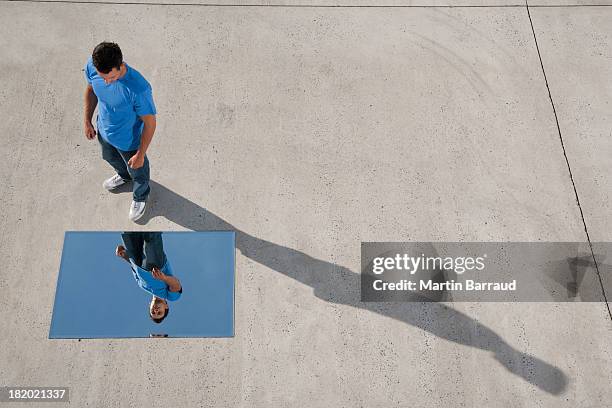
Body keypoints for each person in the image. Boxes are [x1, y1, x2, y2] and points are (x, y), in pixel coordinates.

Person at [83, 42, 157, 221]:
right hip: (104, 131)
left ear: (121, 65)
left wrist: (140, 154)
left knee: (138, 172)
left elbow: (150, 123)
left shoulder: (138, 89)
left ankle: (140, 195)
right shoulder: (93, 67)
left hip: (128, 141)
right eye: (103, 77)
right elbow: (91, 89)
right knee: (110, 158)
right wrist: (87, 120)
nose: (107, 82)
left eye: (112, 77)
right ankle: (124, 176)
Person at [116, 232, 182, 323]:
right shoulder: (169, 296)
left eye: (153, 312)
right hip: (155, 267)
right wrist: (164, 278)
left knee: (128, 233)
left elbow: (135, 269)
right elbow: (176, 285)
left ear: (149, 305)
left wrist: (125, 256)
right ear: (166, 306)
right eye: (159, 312)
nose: (156, 310)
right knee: (150, 238)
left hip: (136, 261)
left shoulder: (142, 286)